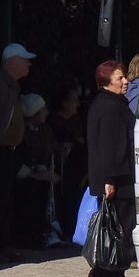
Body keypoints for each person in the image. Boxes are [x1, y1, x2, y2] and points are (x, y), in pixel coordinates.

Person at [0, 43, 35, 264]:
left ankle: (1, 244)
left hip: (8, 153)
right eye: (24, 60)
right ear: (11, 62)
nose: (29, 64)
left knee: (5, 201)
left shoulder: (11, 86)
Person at [86, 60, 136, 277]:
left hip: (114, 177)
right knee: (118, 229)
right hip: (117, 179)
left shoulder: (108, 103)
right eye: (120, 79)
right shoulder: (110, 107)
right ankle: (110, 276)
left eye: (125, 77)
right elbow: (110, 147)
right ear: (107, 83)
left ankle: (101, 274)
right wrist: (111, 180)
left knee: (112, 226)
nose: (125, 82)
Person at [13, 94, 62, 249]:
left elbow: (43, 153)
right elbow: (18, 159)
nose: (47, 113)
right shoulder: (20, 133)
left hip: (36, 176)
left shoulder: (43, 131)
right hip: (21, 179)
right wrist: (34, 174)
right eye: (43, 110)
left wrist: (46, 172)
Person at [49, 85, 87, 240]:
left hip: (79, 173)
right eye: (74, 100)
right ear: (64, 103)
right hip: (63, 173)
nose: (78, 104)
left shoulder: (77, 122)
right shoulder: (55, 124)